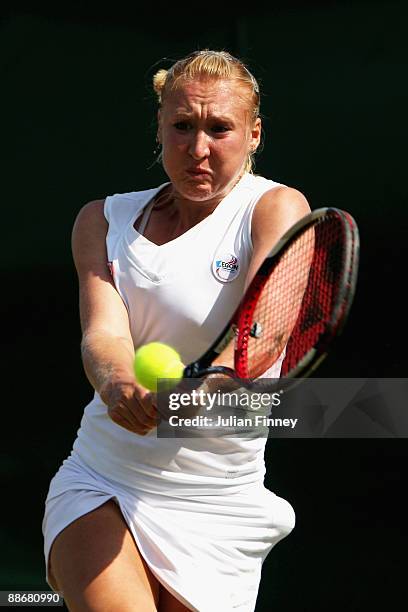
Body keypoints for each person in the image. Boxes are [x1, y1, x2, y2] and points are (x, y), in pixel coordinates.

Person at [42, 49, 310, 612]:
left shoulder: (278, 208)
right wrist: (117, 385)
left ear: (254, 134)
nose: (199, 148)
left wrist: (201, 392)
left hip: (219, 503)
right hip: (104, 476)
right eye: (182, 127)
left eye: (220, 128)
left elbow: (262, 338)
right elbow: (103, 335)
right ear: (160, 128)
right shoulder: (102, 219)